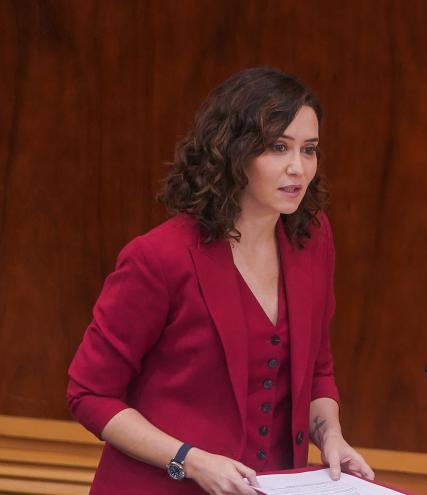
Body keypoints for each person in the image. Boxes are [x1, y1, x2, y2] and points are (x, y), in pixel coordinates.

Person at [67, 67, 373, 495]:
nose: (297, 168)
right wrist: (188, 460)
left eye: (309, 149)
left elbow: (318, 369)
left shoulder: (312, 239)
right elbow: (90, 394)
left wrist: (332, 438)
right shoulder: (159, 258)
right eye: (278, 147)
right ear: (232, 151)